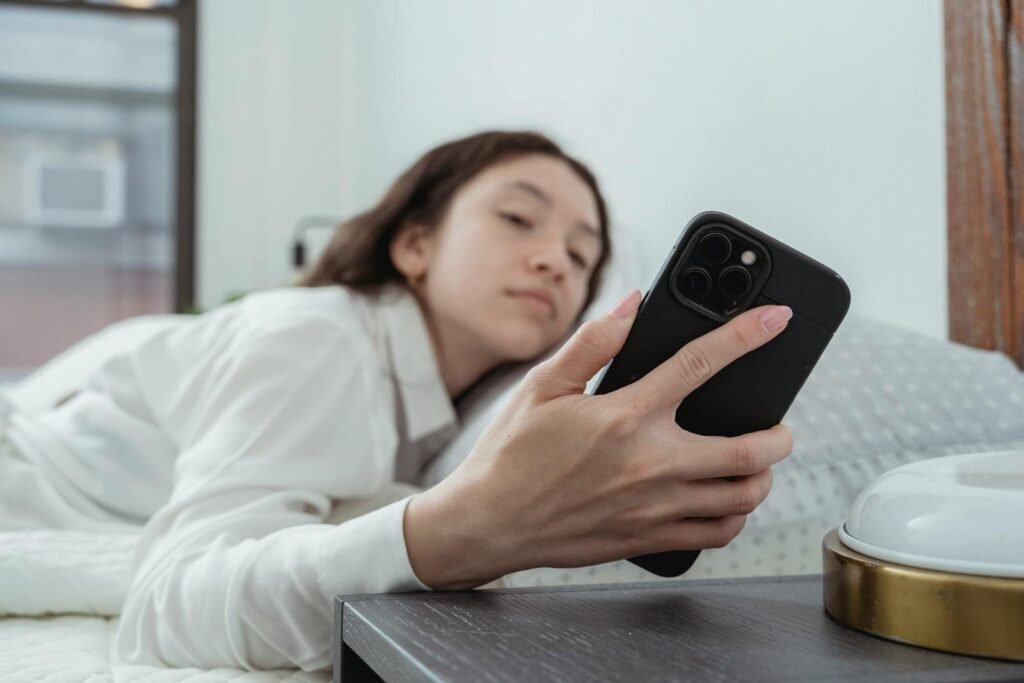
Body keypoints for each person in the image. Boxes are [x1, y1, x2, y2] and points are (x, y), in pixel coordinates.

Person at [0, 130, 793, 671]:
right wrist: (462, 528)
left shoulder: (446, 413)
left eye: (583, 255)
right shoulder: (323, 340)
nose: (555, 258)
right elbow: (166, 610)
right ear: (414, 244)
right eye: (518, 218)